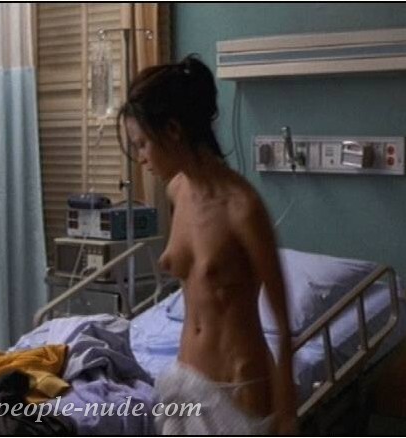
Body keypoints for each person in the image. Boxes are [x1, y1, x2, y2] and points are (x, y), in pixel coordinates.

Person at [117, 54, 297, 435]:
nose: (141, 158)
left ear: (173, 130)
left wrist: (286, 414)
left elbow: (282, 323)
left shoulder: (242, 208)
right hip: (185, 381)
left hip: (237, 389)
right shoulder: (177, 192)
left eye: (143, 144)